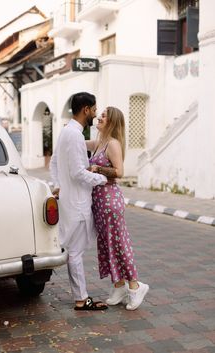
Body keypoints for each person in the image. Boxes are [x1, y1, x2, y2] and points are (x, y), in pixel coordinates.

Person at [50, 92, 108, 311]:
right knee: (73, 252)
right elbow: (77, 172)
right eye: (94, 109)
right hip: (77, 203)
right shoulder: (74, 135)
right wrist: (102, 178)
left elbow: (54, 163)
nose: (95, 113)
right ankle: (81, 299)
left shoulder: (67, 131)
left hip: (69, 199)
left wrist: (57, 185)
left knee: (72, 251)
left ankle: (81, 297)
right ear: (86, 110)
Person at [86, 106, 149, 310]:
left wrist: (97, 169)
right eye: (100, 114)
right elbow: (77, 142)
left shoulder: (112, 144)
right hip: (99, 202)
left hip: (110, 200)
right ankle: (119, 285)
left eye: (104, 116)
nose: (99, 117)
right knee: (106, 245)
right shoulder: (99, 142)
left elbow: (119, 171)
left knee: (119, 244)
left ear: (112, 121)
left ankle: (135, 286)